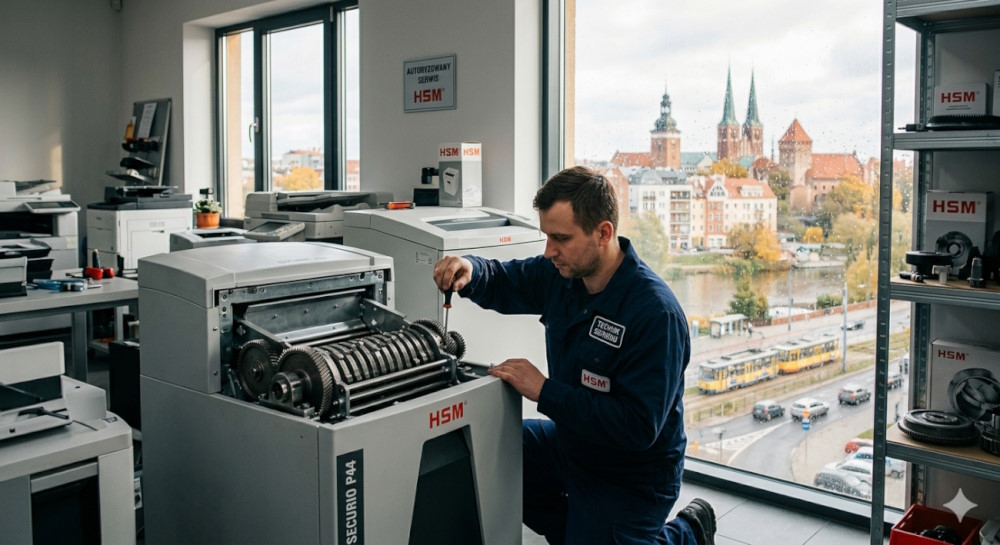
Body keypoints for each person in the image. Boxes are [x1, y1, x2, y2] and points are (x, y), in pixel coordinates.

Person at [432, 166, 716, 545]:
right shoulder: (562, 276)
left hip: (632, 473)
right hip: (573, 444)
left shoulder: (654, 314)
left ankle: (689, 532)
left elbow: (636, 428)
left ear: (603, 233)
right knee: (490, 448)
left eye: (561, 238)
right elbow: (504, 279)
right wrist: (470, 269)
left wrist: (545, 391)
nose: (549, 251)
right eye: (547, 236)